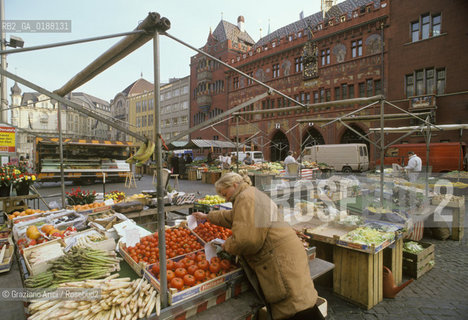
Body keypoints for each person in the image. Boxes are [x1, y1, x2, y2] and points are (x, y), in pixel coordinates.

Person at [192, 172, 322, 320]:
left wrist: (225, 245)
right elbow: (233, 216)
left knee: (294, 307)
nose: (225, 198)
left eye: (225, 193)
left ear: (234, 185)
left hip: (278, 260)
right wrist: (208, 217)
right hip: (286, 255)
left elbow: (246, 241)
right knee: (301, 300)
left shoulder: (246, 198)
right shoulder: (250, 194)